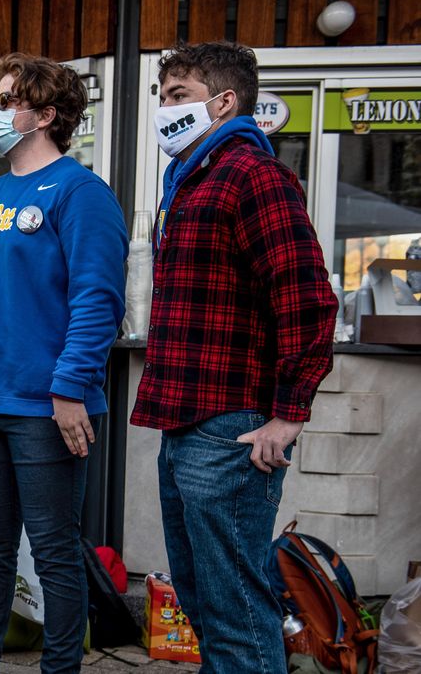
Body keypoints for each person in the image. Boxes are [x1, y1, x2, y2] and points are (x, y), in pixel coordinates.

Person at [131, 41, 338, 673]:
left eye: (178, 96)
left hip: (233, 425)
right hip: (187, 420)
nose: (164, 110)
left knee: (235, 610)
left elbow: (307, 297)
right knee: (204, 602)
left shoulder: (252, 173)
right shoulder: (192, 180)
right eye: (161, 96)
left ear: (224, 101)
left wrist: (289, 414)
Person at [0, 52, 128, 674]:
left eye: (7, 100)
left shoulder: (82, 193)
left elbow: (98, 301)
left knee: (53, 552)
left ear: (45, 115)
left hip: (47, 409)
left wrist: (69, 389)